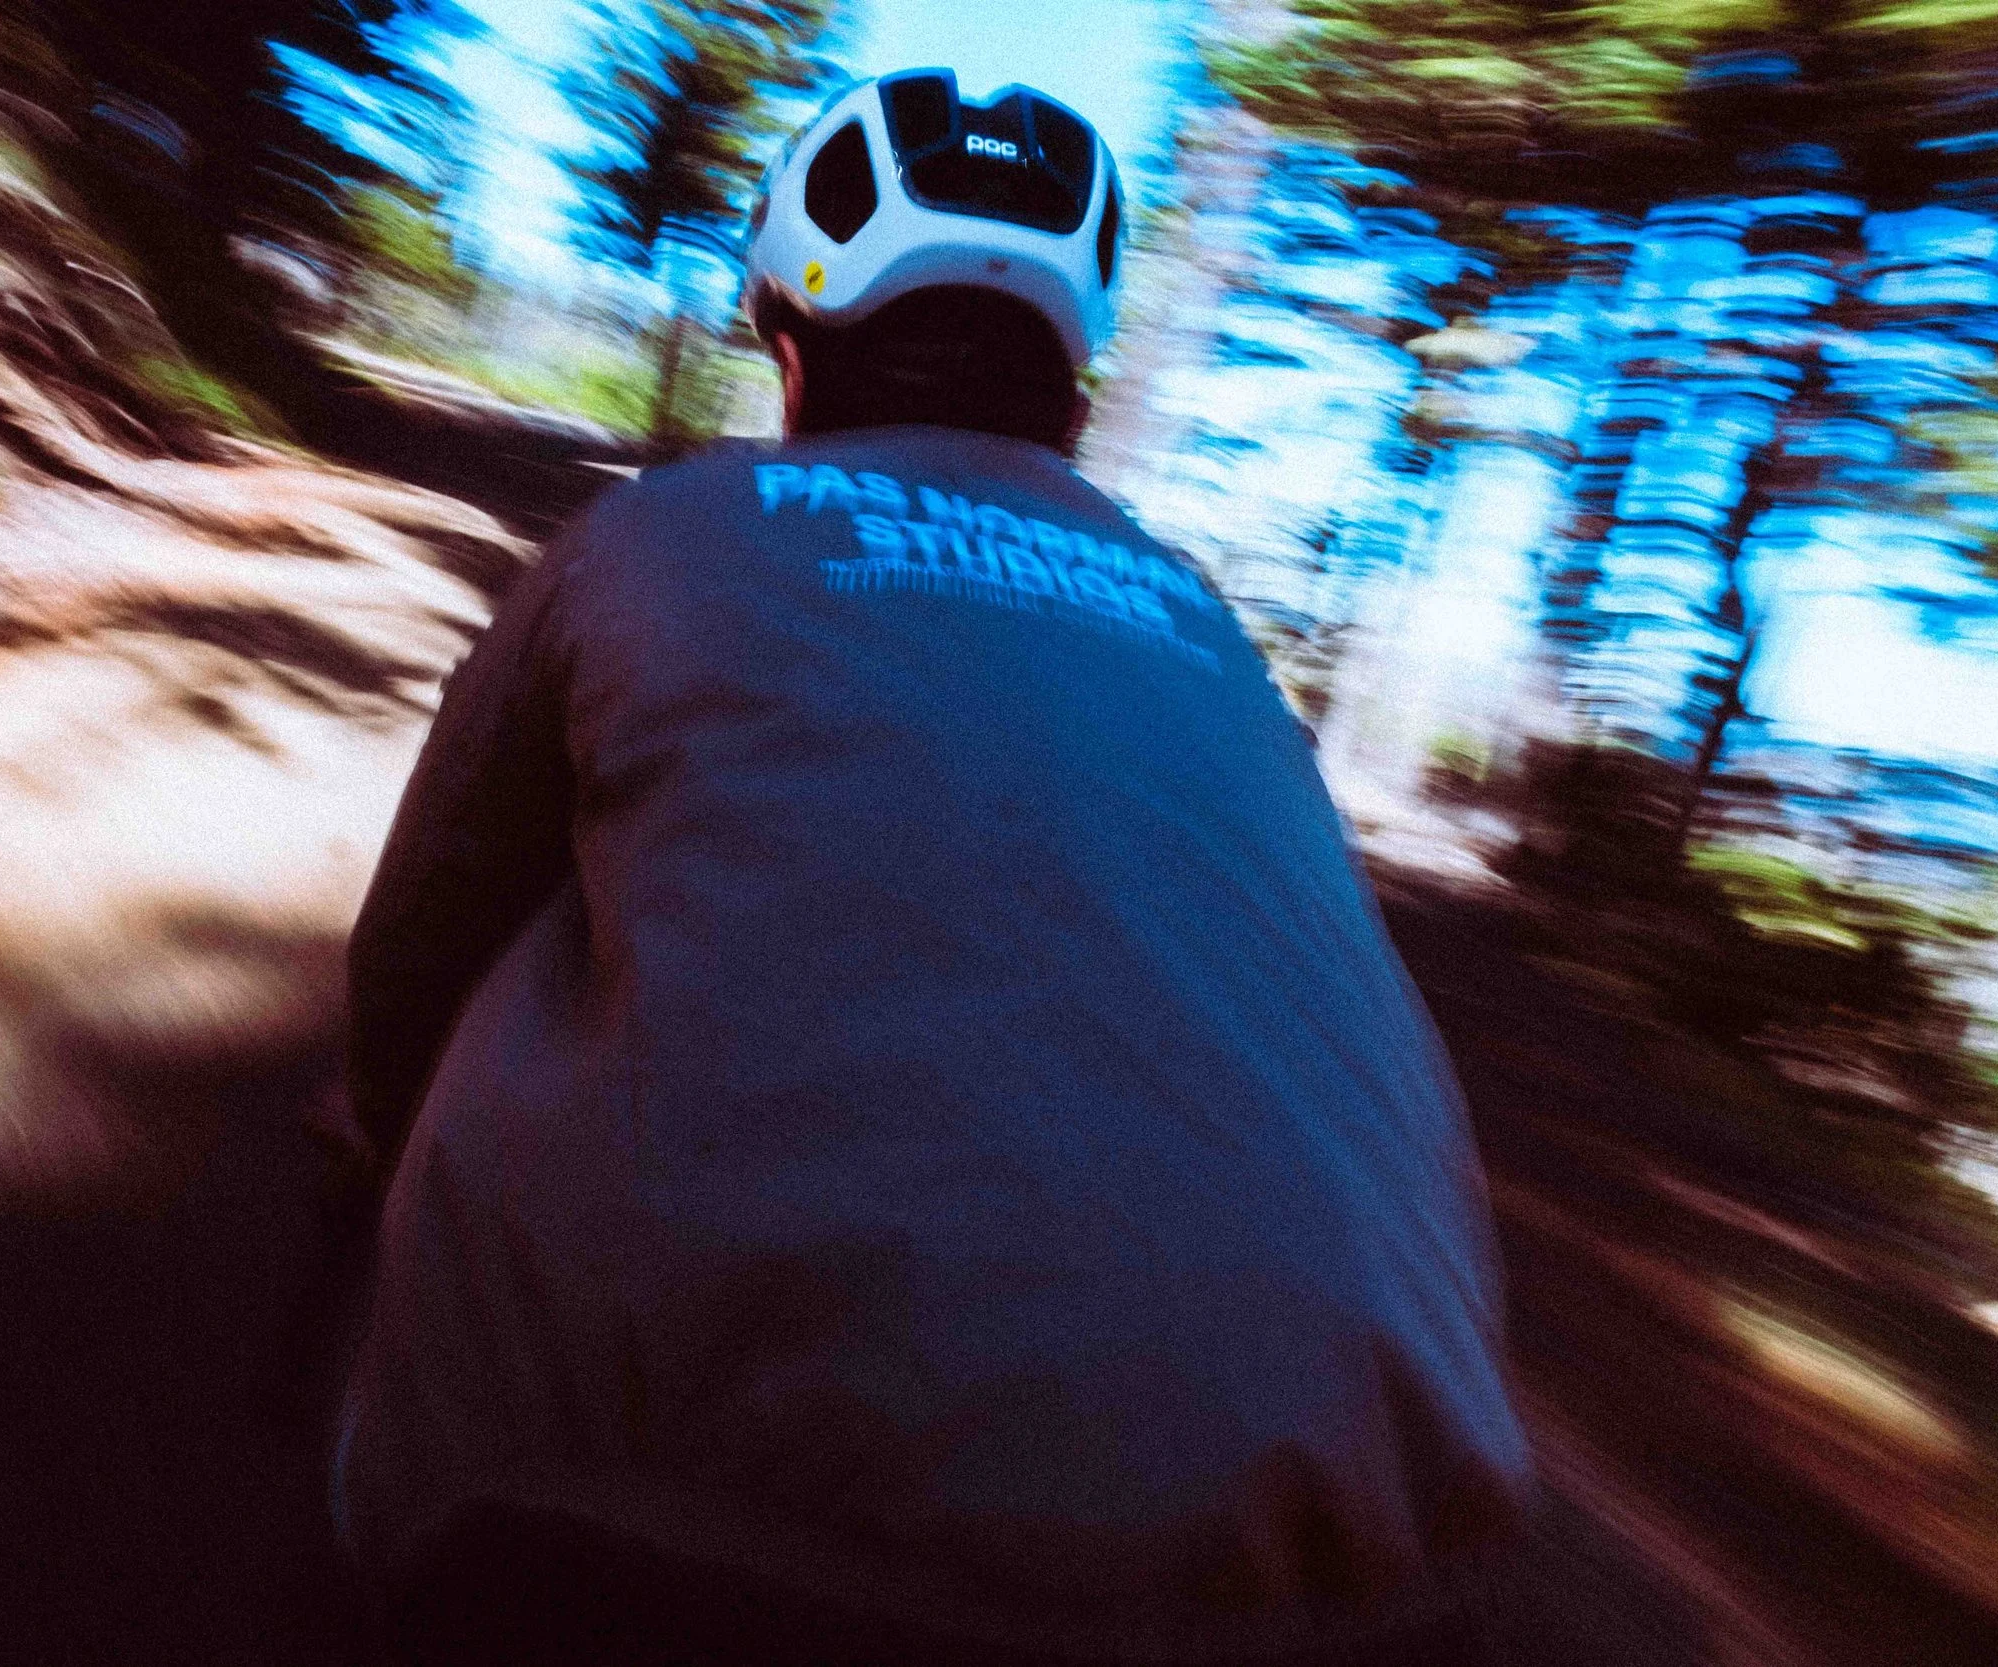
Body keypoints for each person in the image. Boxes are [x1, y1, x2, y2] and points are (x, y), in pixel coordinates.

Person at [332, 69, 1532, 1667]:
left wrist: (380, 1140)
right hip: (1364, 1594)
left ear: (789, 356)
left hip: (648, 1539)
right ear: (1073, 408)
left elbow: (418, 948)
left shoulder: (663, 529)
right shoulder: (1210, 630)